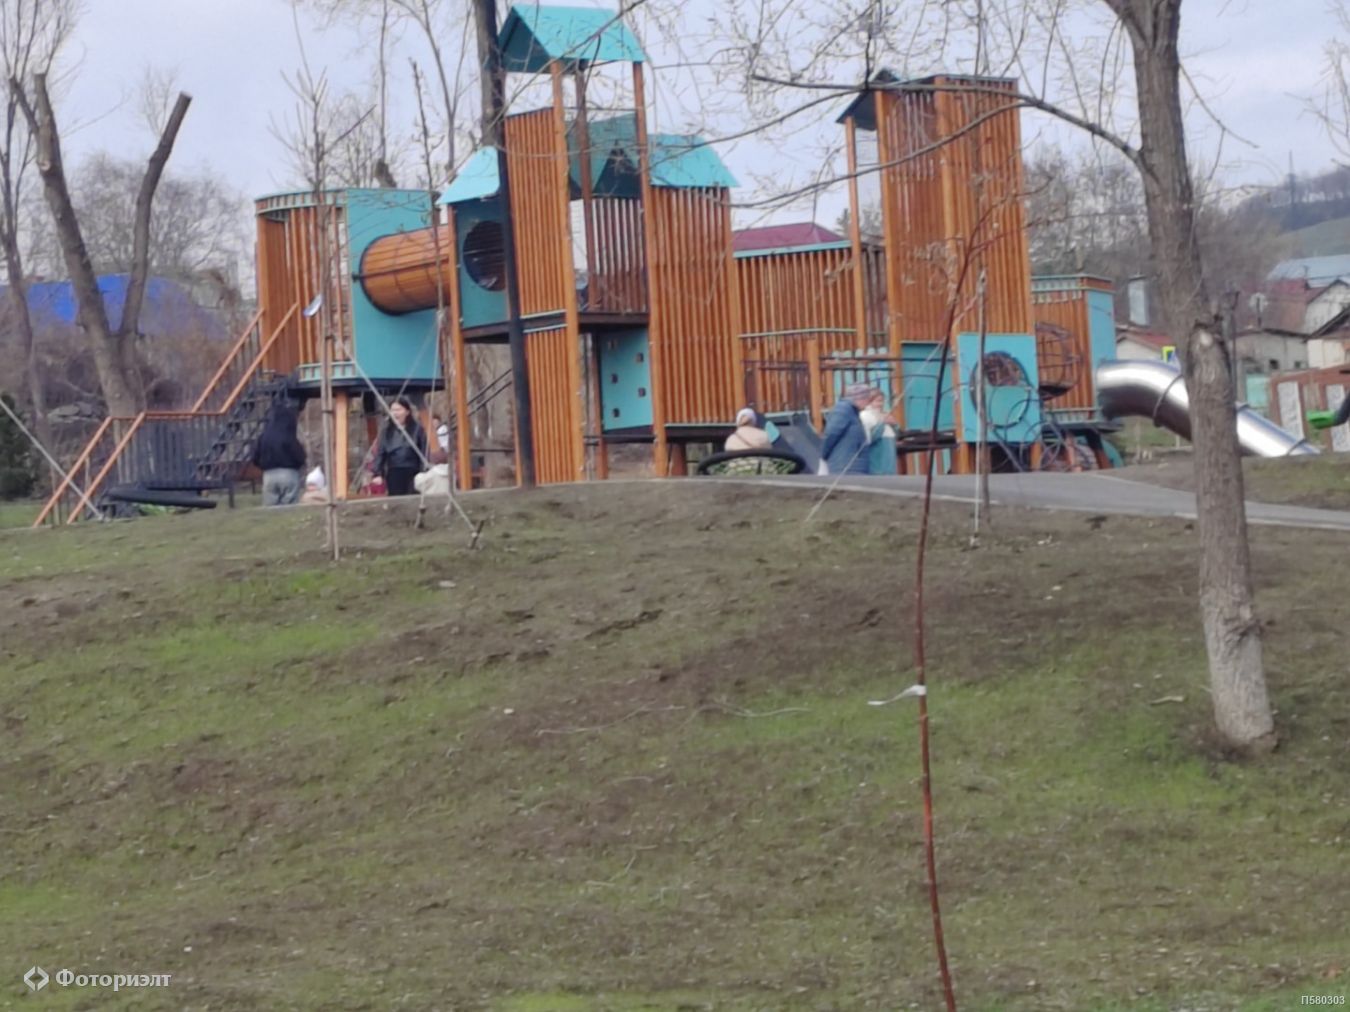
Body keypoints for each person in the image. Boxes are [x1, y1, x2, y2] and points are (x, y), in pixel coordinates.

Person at [251, 401, 306, 506]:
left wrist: (262, 466)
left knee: (270, 507)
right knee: (290, 506)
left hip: (269, 475)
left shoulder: (263, 437)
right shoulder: (289, 437)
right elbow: (299, 456)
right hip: (289, 473)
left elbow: (255, 456)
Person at [374, 395, 428, 496]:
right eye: (392, 410)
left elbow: (424, 450)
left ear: (407, 412)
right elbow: (380, 453)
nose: (395, 413)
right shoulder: (386, 432)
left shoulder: (417, 429)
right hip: (394, 471)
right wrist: (378, 473)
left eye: (398, 410)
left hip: (414, 471)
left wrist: (424, 470)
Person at [820, 382, 875, 475]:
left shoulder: (853, 411)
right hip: (845, 466)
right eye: (867, 399)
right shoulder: (843, 409)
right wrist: (823, 455)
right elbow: (831, 434)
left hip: (853, 466)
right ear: (860, 398)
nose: (867, 403)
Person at [860, 390, 899, 475]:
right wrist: (882, 423)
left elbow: (896, 436)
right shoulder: (865, 415)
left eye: (882, 401)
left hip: (889, 466)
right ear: (869, 401)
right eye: (878, 401)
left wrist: (894, 425)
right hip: (877, 467)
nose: (881, 404)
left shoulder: (884, 415)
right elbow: (869, 439)